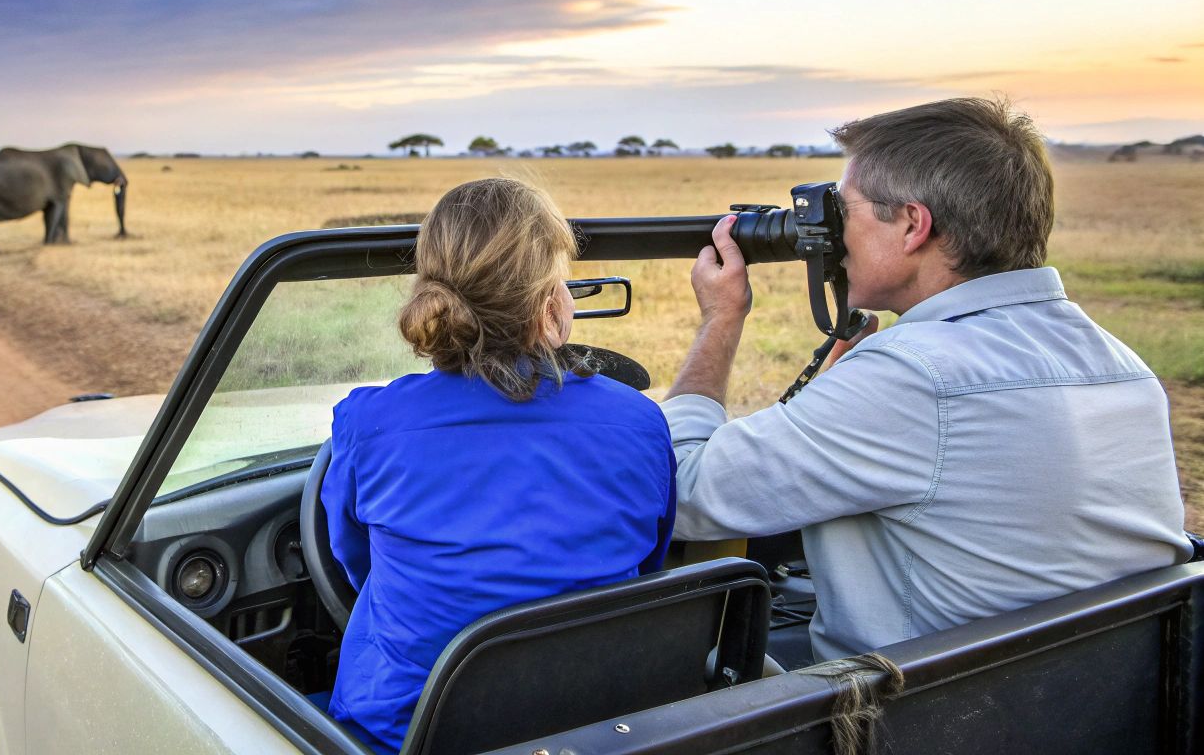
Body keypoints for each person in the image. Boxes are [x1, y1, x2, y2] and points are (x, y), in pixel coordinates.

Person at [663, 97, 1190, 666]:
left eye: (846, 212)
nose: (835, 237)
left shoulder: (914, 375)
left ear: (914, 225)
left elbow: (680, 494)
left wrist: (721, 321)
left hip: (913, 718)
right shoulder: (1120, 364)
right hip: (1085, 699)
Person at [323, 177, 676, 752]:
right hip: (591, 730)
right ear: (549, 302)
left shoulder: (368, 424)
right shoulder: (638, 421)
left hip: (407, 734)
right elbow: (646, 560)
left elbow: (354, 561)